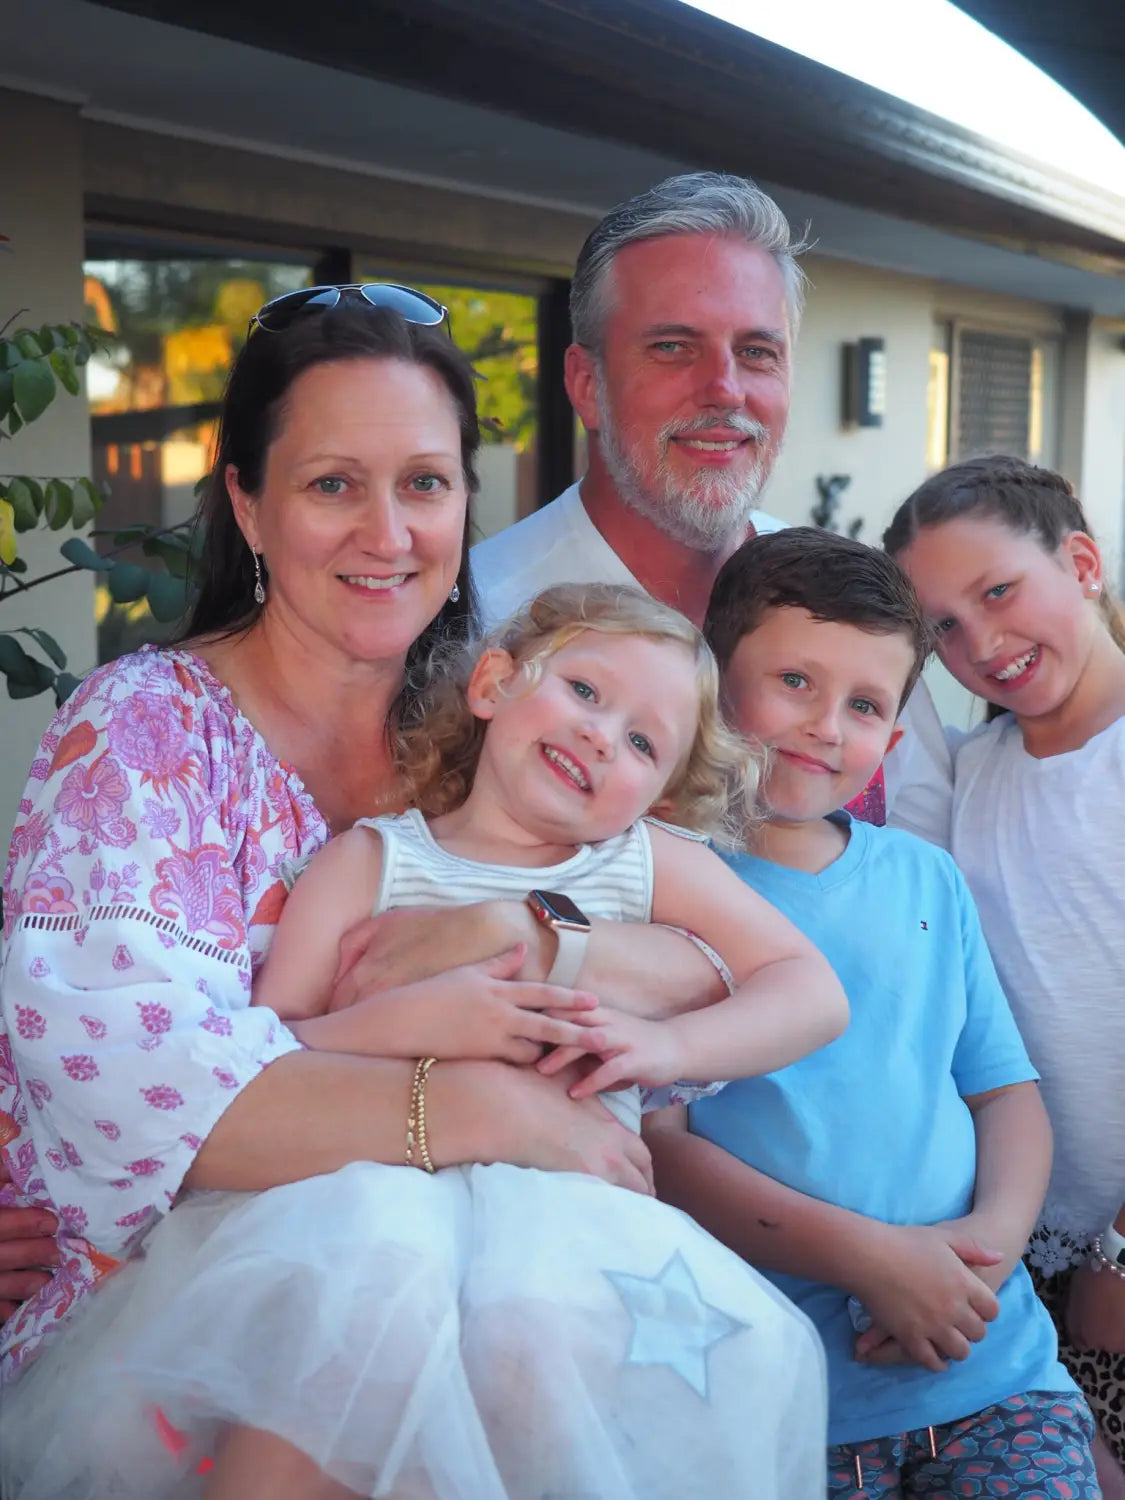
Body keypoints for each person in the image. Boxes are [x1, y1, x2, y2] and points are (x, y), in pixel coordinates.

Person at [0, 287, 760, 1499]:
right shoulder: (146, 734)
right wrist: (482, 1107)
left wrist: (522, 936)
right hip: (180, 1355)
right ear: (247, 502)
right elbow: (132, 1086)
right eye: (331, 485)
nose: (389, 531)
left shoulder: (510, 715)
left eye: (424, 482)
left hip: (502, 1314)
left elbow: (708, 970)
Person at [116, 581, 835, 1499]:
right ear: (492, 683)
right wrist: (409, 1023)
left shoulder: (642, 867)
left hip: (566, 1233)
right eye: (583, 690)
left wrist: (669, 1051)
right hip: (361, 1215)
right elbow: (271, 1051)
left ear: (659, 796)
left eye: (644, 743)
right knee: (333, 1379)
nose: (602, 735)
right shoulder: (367, 863)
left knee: (538, 1389)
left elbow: (809, 991)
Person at [646, 527, 1099, 1497]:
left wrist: (983, 1258)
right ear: (711, 682)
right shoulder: (661, 888)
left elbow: (1005, 1094)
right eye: (795, 682)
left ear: (893, 738)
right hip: (784, 1405)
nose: (824, 727)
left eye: (863, 704)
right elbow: (662, 1146)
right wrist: (873, 1261)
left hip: (994, 1374)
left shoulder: (925, 878)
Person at [471, 170, 952, 833]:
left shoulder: (850, 612)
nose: (724, 389)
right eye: (672, 348)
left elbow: (928, 848)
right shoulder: (481, 620)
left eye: (756, 353)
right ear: (586, 385)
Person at [885, 454, 1125, 1492]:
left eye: (998, 592)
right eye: (943, 625)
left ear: (1080, 562)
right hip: (1026, 1249)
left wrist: (1121, 1256)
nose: (979, 645)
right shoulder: (968, 773)